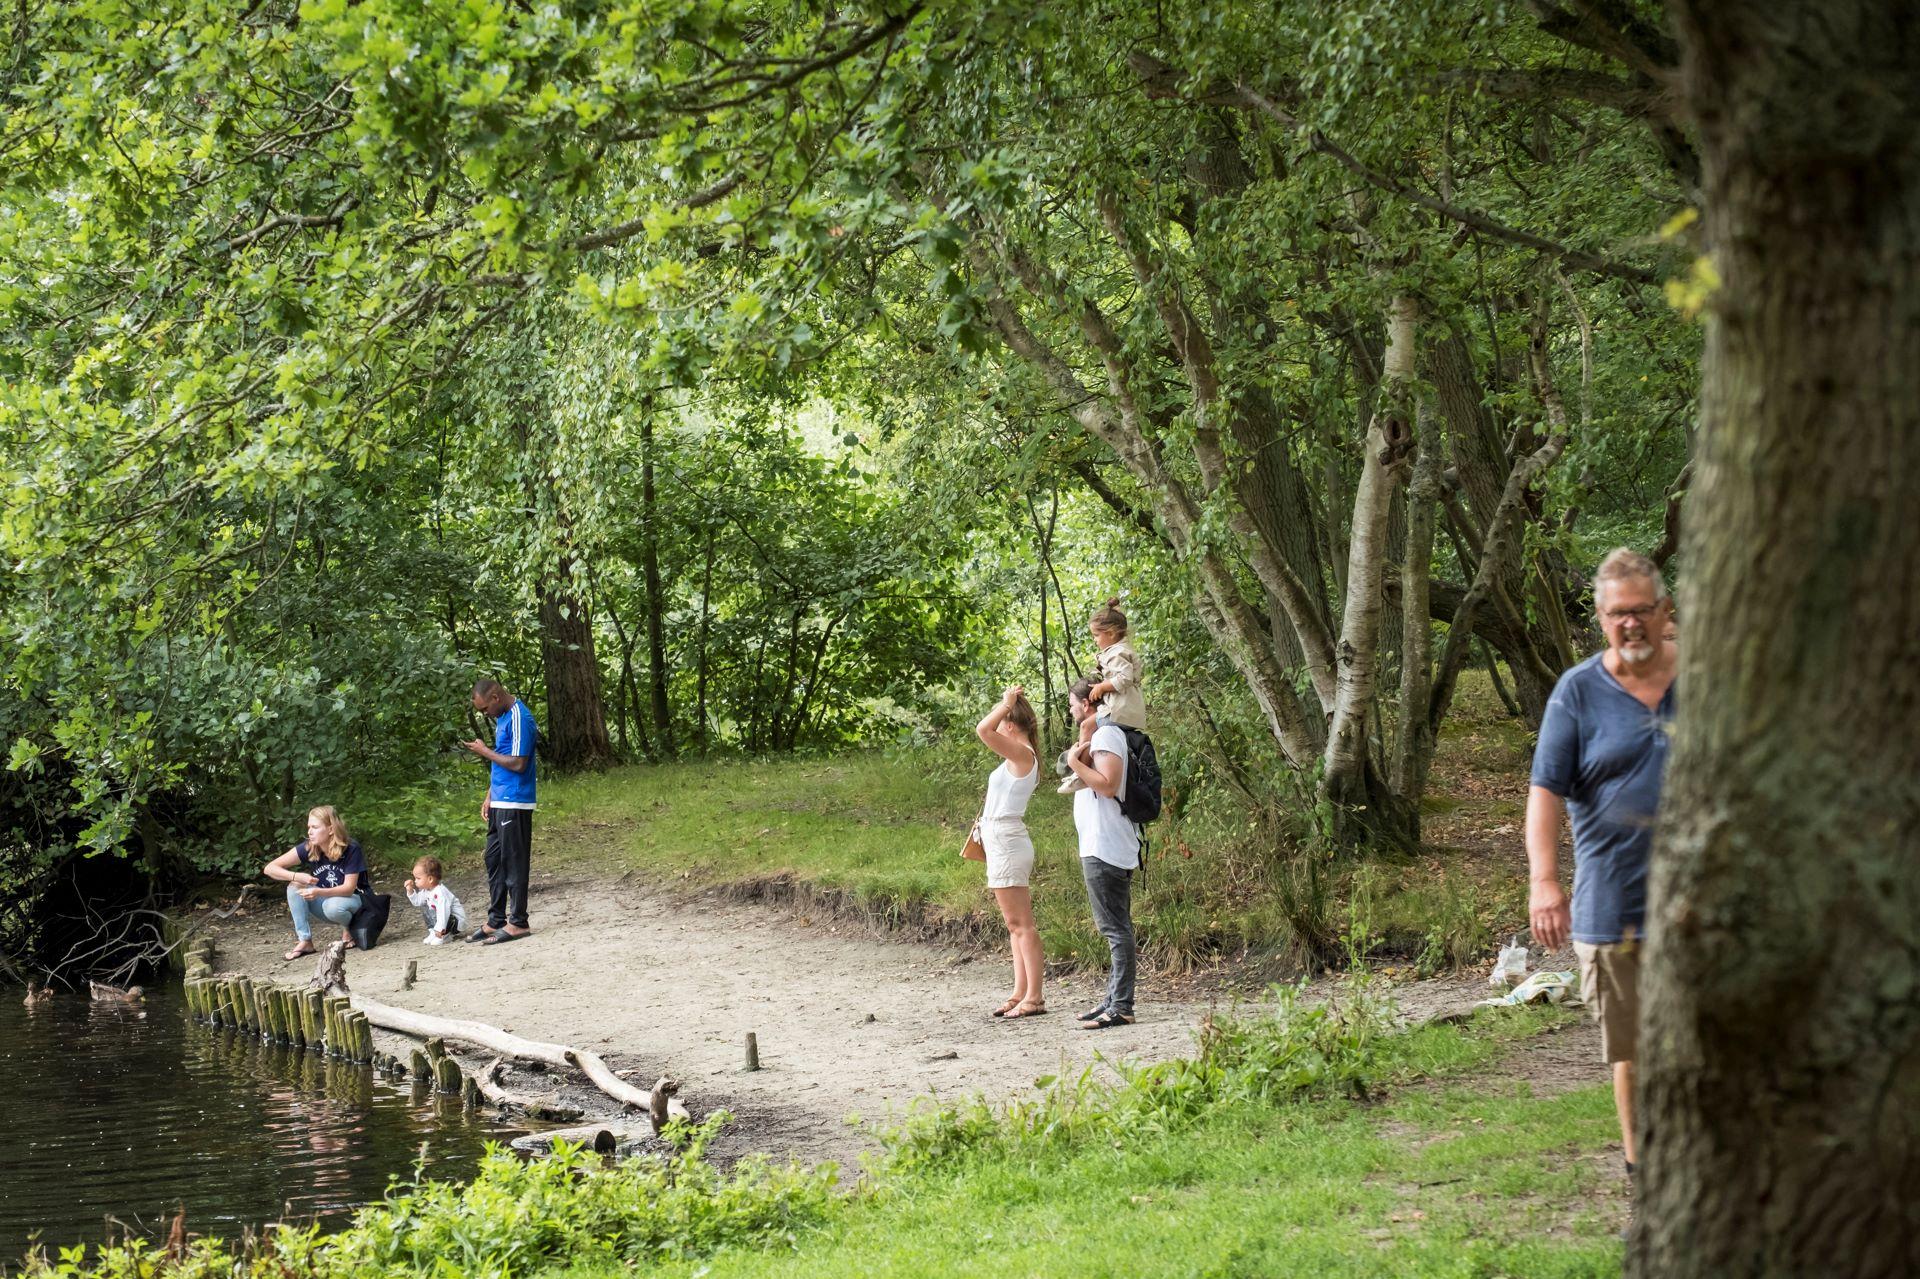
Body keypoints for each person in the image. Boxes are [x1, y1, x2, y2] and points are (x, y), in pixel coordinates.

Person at [1525, 547, 1677, 1184]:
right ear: (1600, 618)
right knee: (1634, 1050)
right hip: (1614, 904)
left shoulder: (1706, 677)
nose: (1631, 624)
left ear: (1664, 609)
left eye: (1642, 610)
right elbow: (1544, 791)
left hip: (1705, 901)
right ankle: (1644, 1171)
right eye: (1619, 614)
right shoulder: (1578, 692)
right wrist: (1544, 881)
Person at [1065, 676, 1138, 1028]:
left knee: (1115, 929)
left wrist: (1076, 763)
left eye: (1072, 704)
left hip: (1107, 846)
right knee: (1113, 927)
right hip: (1099, 845)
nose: (1070, 710)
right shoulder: (1099, 736)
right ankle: (1112, 999)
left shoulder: (1109, 736)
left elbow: (1108, 786)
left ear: (1088, 704)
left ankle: (1122, 1005)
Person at [974, 684, 1046, 1019]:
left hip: (1007, 839)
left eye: (1004, 719)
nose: (999, 725)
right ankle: (1020, 991)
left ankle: (1035, 996)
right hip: (1001, 838)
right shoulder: (1018, 755)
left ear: (1011, 725)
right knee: (1013, 924)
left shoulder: (1022, 754)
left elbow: (982, 730)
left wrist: (1006, 704)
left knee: (1022, 924)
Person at [464, 678, 538, 945]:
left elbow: (518, 763)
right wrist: (489, 795)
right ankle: (496, 918)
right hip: (500, 801)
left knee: (513, 861)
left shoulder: (520, 717)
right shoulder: (503, 718)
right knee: (493, 859)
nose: (485, 714)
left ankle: (518, 921)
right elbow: (502, 758)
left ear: (495, 697)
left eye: (484, 709)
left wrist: (484, 751)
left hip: (516, 801)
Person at [1059, 597, 1145, 794]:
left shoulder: (1117, 653)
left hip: (1121, 709)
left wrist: (1103, 687)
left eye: (1096, 636)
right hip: (1123, 708)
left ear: (1111, 633)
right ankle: (1080, 771)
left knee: (1086, 725)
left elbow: (1124, 678)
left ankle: (1079, 771)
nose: (1095, 640)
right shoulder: (1117, 651)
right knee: (1089, 726)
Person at [264, 805, 367, 961]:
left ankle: (348, 928)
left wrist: (318, 892)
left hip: (357, 903)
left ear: (331, 829)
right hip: (328, 904)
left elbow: (348, 889)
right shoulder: (309, 847)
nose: (309, 831)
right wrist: (296, 876)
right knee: (294, 887)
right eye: (308, 827)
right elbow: (270, 868)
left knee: (331, 906)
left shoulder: (351, 848)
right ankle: (305, 941)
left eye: (315, 827)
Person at [405, 856, 468, 946]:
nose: (415, 881)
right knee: (424, 906)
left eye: (418, 878)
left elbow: (443, 912)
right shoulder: (426, 891)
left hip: (455, 921)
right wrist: (410, 890)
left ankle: (443, 935)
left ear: (430, 879)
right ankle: (433, 932)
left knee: (439, 910)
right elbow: (417, 902)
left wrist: (440, 928)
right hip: (442, 920)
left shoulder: (440, 892)